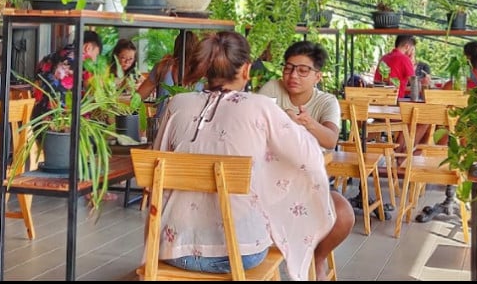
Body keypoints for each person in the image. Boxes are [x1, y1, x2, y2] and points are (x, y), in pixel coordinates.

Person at [151, 31, 353, 281]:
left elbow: (155, 163)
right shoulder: (262, 106)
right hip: (239, 254)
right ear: (246, 70)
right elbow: (309, 159)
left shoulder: (176, 103)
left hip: (170, 248)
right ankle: (312, 260)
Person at [257, 41, 341, 150]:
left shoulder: (327, 101)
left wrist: (308, 123)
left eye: (303, 70)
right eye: (288, 68)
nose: (293, 75)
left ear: (317, 77)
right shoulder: (272, 88)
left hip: (311, 163)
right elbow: (254, 125)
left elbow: (331, 141)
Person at [32, 30, 103, 120]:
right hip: (64, 122)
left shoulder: (48, 57)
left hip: (37, 119)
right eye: (95, 55)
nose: (94, 60)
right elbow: (95, 92)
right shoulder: (84, 61)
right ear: (88, 47)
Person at [136, 31, 198, 118]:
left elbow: (138, 97)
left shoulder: (163, 66)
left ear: (176, 46)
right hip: (191, 126)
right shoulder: (201, 73)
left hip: (163, 125)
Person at [373, 34, 417, 99]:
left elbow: (376, 81)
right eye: (412, 49)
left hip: (378, 99)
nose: (412, 51)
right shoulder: (405, 59)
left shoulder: (384, 58)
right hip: (395, 101)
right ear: (407, 47)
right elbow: (415, 87)